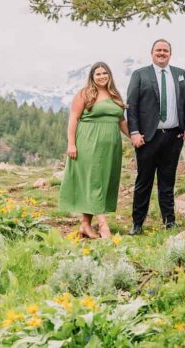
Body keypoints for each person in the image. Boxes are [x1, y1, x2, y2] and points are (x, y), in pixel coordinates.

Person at [126, 39, 185, 235]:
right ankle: (137, 223)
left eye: (165, 50)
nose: (162, 53)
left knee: (167, 182)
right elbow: (132, 107)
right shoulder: (140, 74)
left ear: (170, 54)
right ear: (152, 52)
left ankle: (169, 222)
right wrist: (134, 132)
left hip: (173, 136)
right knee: (143, 181)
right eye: (158, 50)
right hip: (147, 137)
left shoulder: (180, 74)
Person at [59, 62, 130, 239]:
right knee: (94, 181)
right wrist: (71, 144)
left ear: (109, 75)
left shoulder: (115, 95)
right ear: (92, 77)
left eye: (105, 73)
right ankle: (103, 225)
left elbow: (121, 121)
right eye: (98, 74)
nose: (102, 76)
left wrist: (134, 137)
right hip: (89, 143)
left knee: (103, 181)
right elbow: (73, 119)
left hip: (111, 145)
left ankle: (85, 225)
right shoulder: (84, 94)